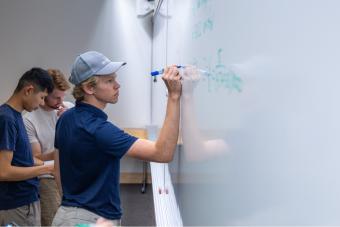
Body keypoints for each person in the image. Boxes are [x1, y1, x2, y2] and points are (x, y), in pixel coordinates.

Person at [52, 51, 181, 226]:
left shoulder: (66, 118)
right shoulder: (99, 130)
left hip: (66, 215)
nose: (117, 85)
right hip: (94, 220)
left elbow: (58, 169)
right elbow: (163, 153)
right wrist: (174, 97)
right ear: (89, 88)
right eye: (109, 81)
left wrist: (73, 212)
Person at [0, 68, 55, 226]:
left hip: (25, 201)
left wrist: (40, 162)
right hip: (15, 205)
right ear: (29, 90)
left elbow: (17, 158)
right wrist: (49, 168)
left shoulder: (16, 117)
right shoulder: (6, 119)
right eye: (42, 97)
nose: (42, 104)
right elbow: (3, 171)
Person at [23, 69, 73, 226]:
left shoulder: (69, 109)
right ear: (44, 94)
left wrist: (70, 121)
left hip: (72, 171)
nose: (61, 102)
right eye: (56, 97)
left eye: (63, 97)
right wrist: (60, 150)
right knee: (52, 220)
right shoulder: (29, 119)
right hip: (47, 176)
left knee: (74, 218)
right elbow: (36, 158)